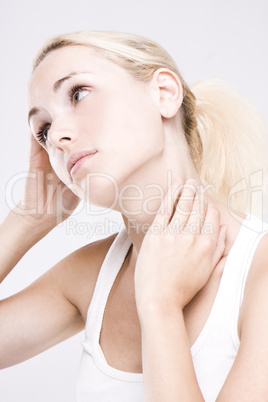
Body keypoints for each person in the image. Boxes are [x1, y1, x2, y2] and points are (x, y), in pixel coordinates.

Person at [1, 31, 268, 402]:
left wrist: (160, 305)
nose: (58, 135)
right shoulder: (91, 277)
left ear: (164, 94)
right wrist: (26, 221)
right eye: (43, 130)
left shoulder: (259, 273)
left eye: (78, 94)